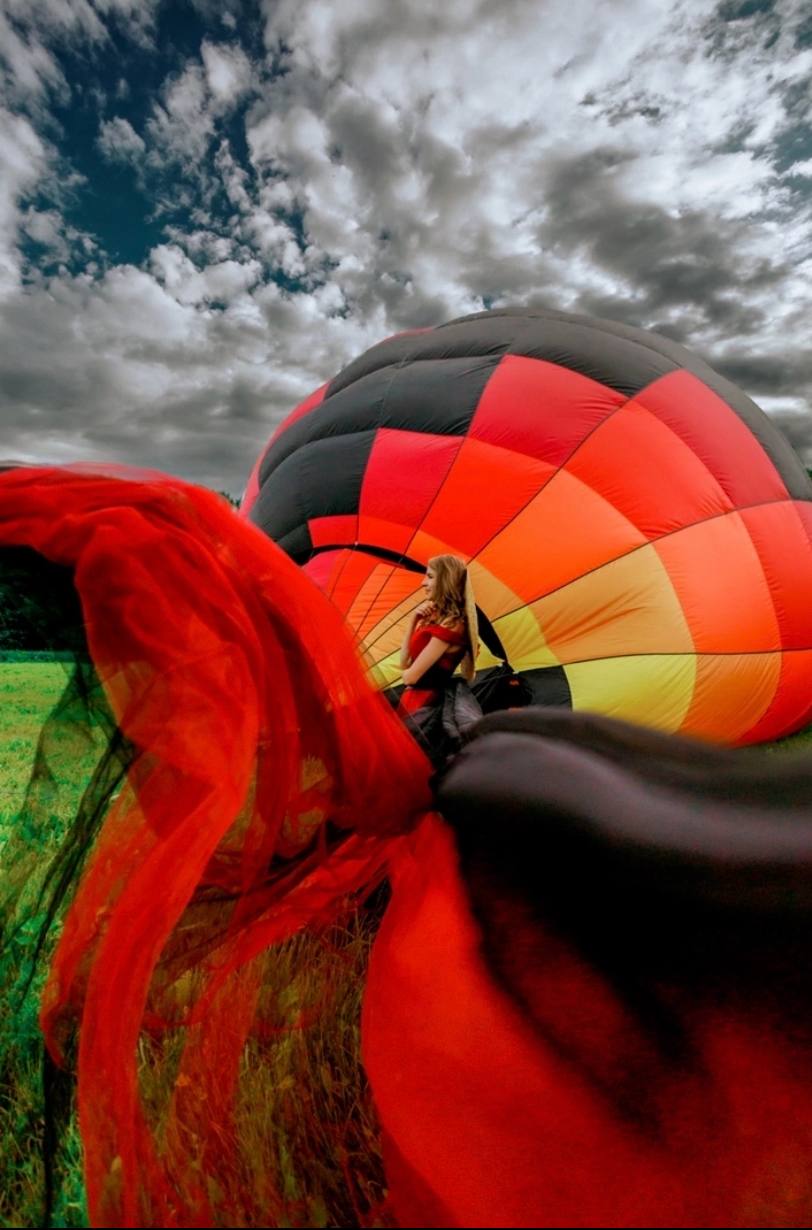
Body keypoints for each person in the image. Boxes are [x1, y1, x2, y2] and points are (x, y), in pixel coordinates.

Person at [397, 554, 482, 763]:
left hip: (423, 703)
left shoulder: (452, 625)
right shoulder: (435, 620)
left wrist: (406, 675)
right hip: (413, 700)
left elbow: (410, 677)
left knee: (407, 759)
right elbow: (404, 662)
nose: (423, 582)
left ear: (445, 580)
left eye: (430, 576)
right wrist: (413, 620)